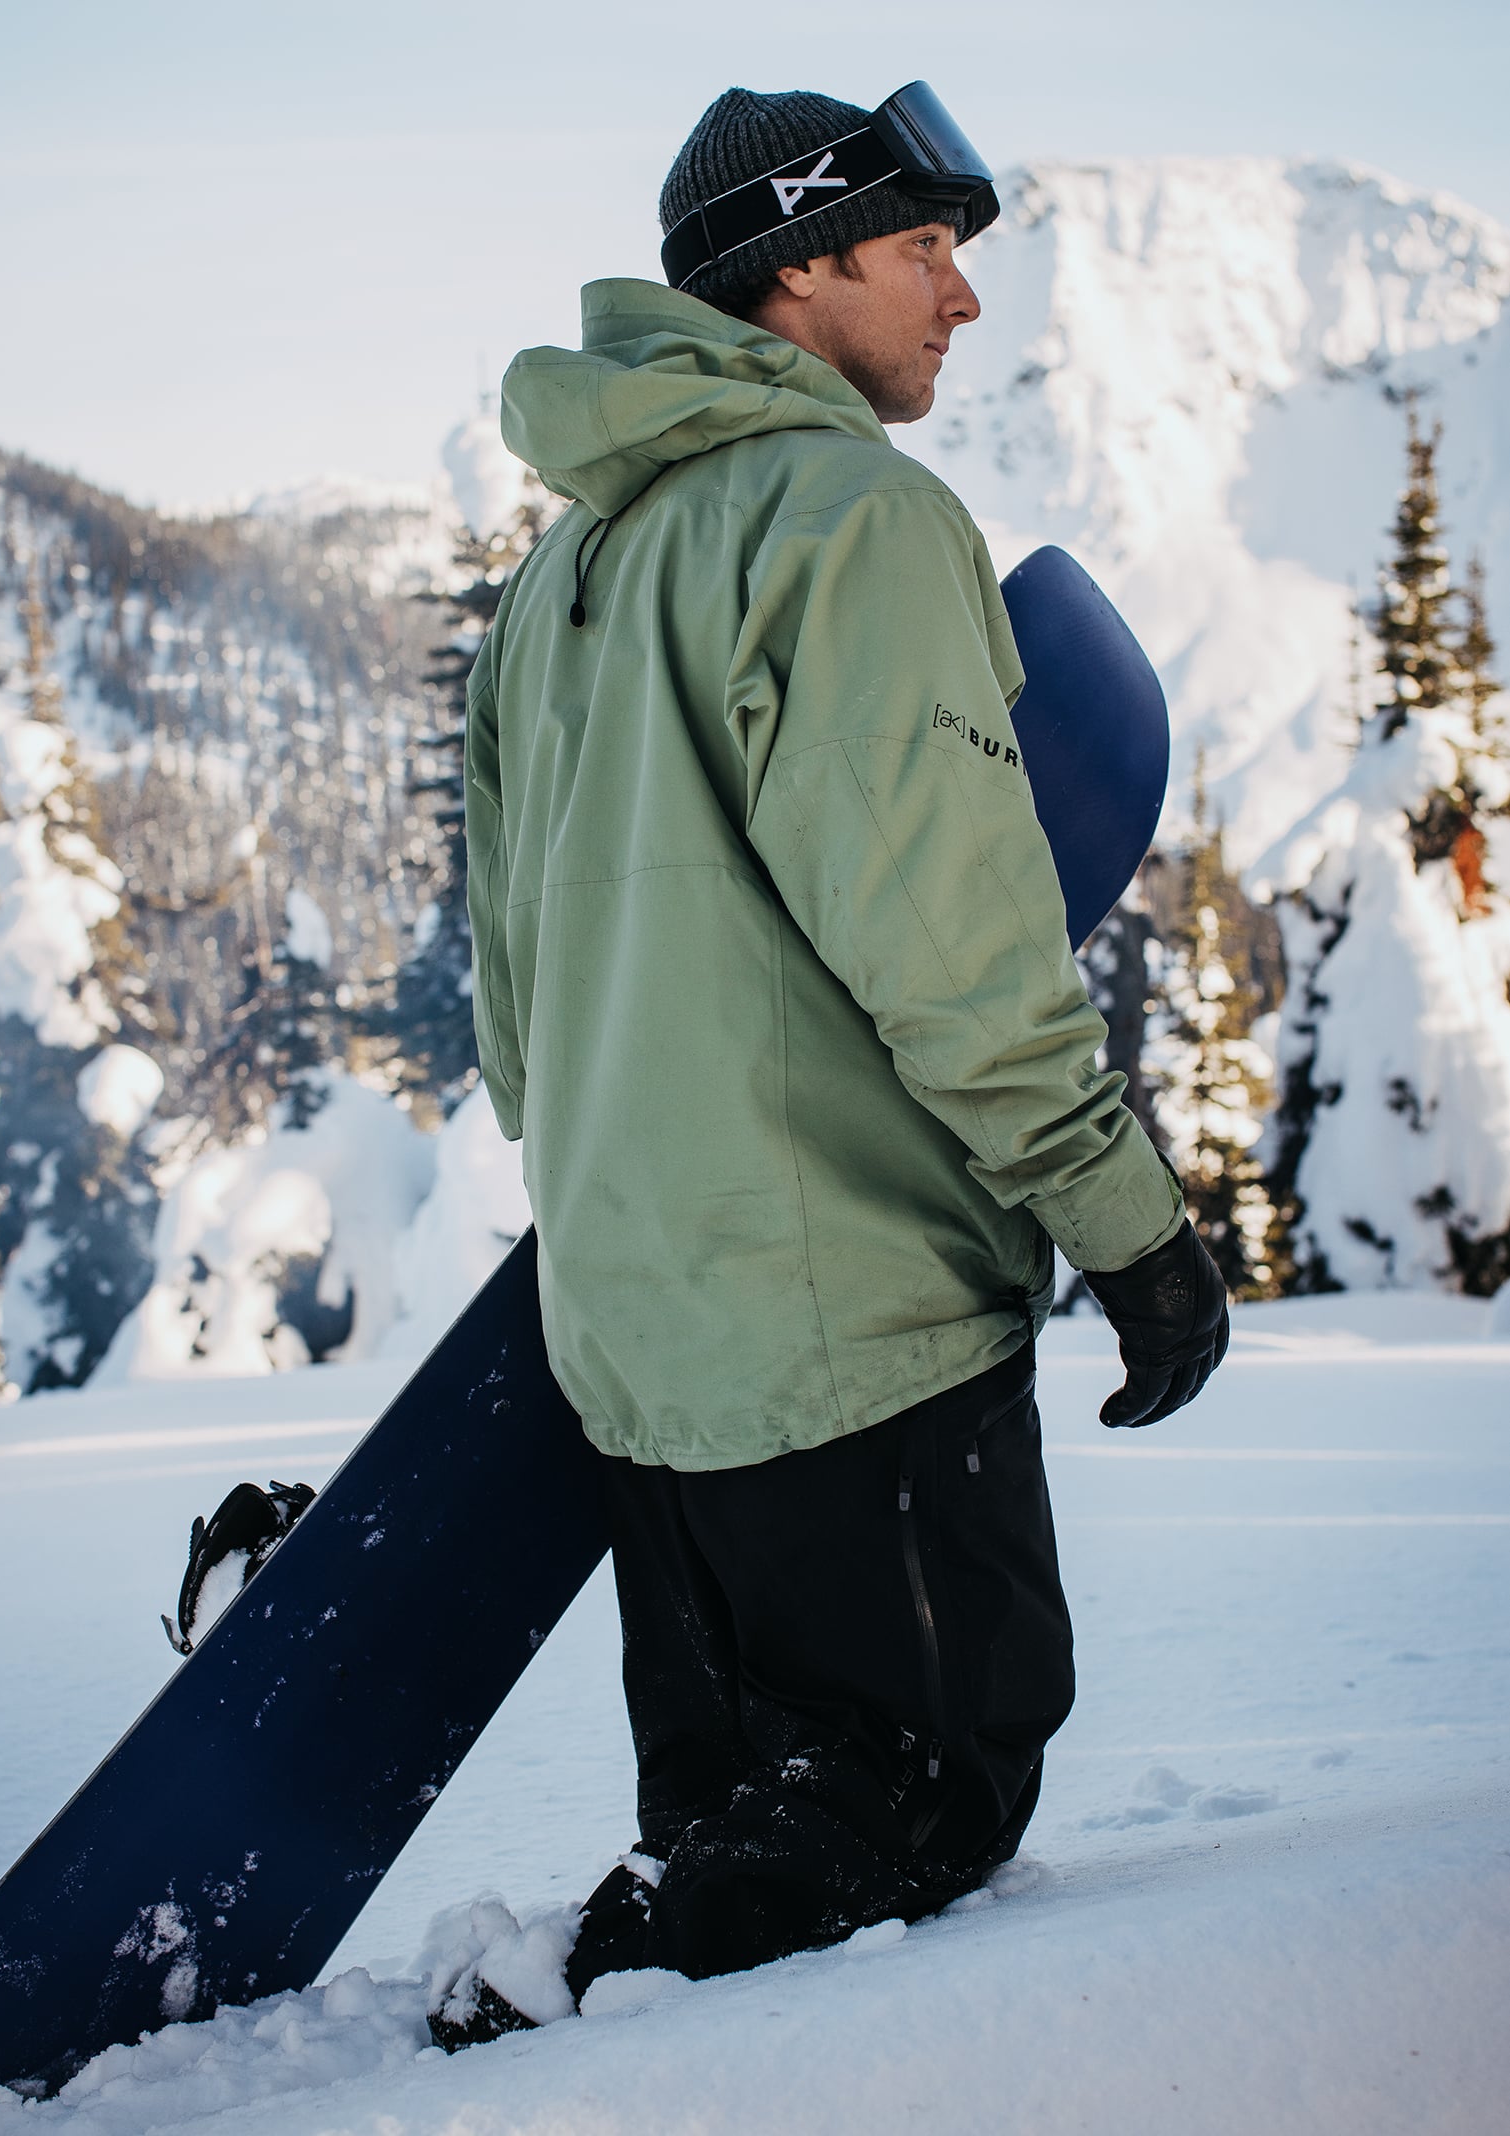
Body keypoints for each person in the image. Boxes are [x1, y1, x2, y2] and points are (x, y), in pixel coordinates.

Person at [435, 81, 1229, 2049]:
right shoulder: (853, 523)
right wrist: (1129, 1233)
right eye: (919, 245)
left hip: (647, 1340)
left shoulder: (562, 575)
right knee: (914, 1811)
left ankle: (614, 2001)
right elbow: (959, 961)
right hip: (857, 1321)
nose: (962, 294)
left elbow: (513, 1008)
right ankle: (563, 1996)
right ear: (798, 269)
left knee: (758, 1831)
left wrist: (644, 1223)